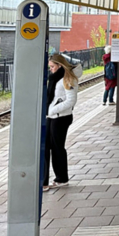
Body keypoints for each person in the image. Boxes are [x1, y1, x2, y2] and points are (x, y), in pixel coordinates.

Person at [44, 54, 82, 192]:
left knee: (57, 147)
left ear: (60, 66)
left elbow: (71, 101)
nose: (51, 70)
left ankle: (62, 179)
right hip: (52, 116)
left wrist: (52, 109)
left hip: (60, 117)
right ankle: (45, 180)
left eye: (53, 67)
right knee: (46, 146)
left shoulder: (68, 79)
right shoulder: (55, 78)